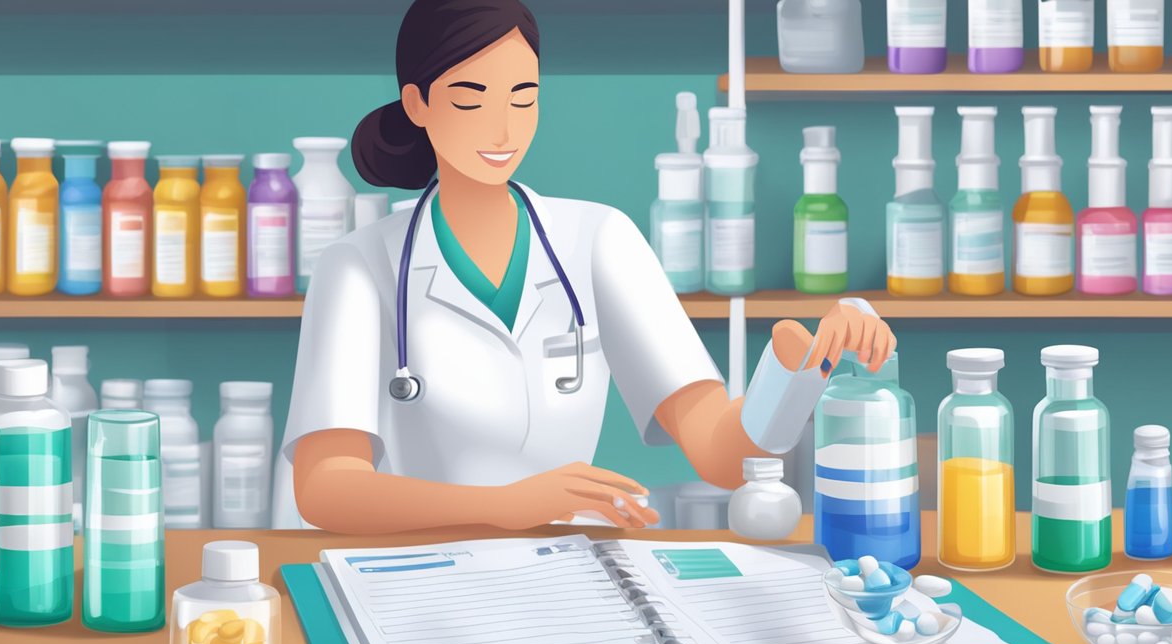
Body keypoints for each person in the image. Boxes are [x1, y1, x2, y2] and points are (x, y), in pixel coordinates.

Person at [286, 0, 895, 533]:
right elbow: (326, 488)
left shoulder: (600, 238)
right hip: (422, 577)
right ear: (417, 103)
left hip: (573, 570)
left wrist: (799, 370)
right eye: (471, 99)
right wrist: (505, 505)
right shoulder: (360, 267)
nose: (503, 128)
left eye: (524, 98)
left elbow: (721, 456)